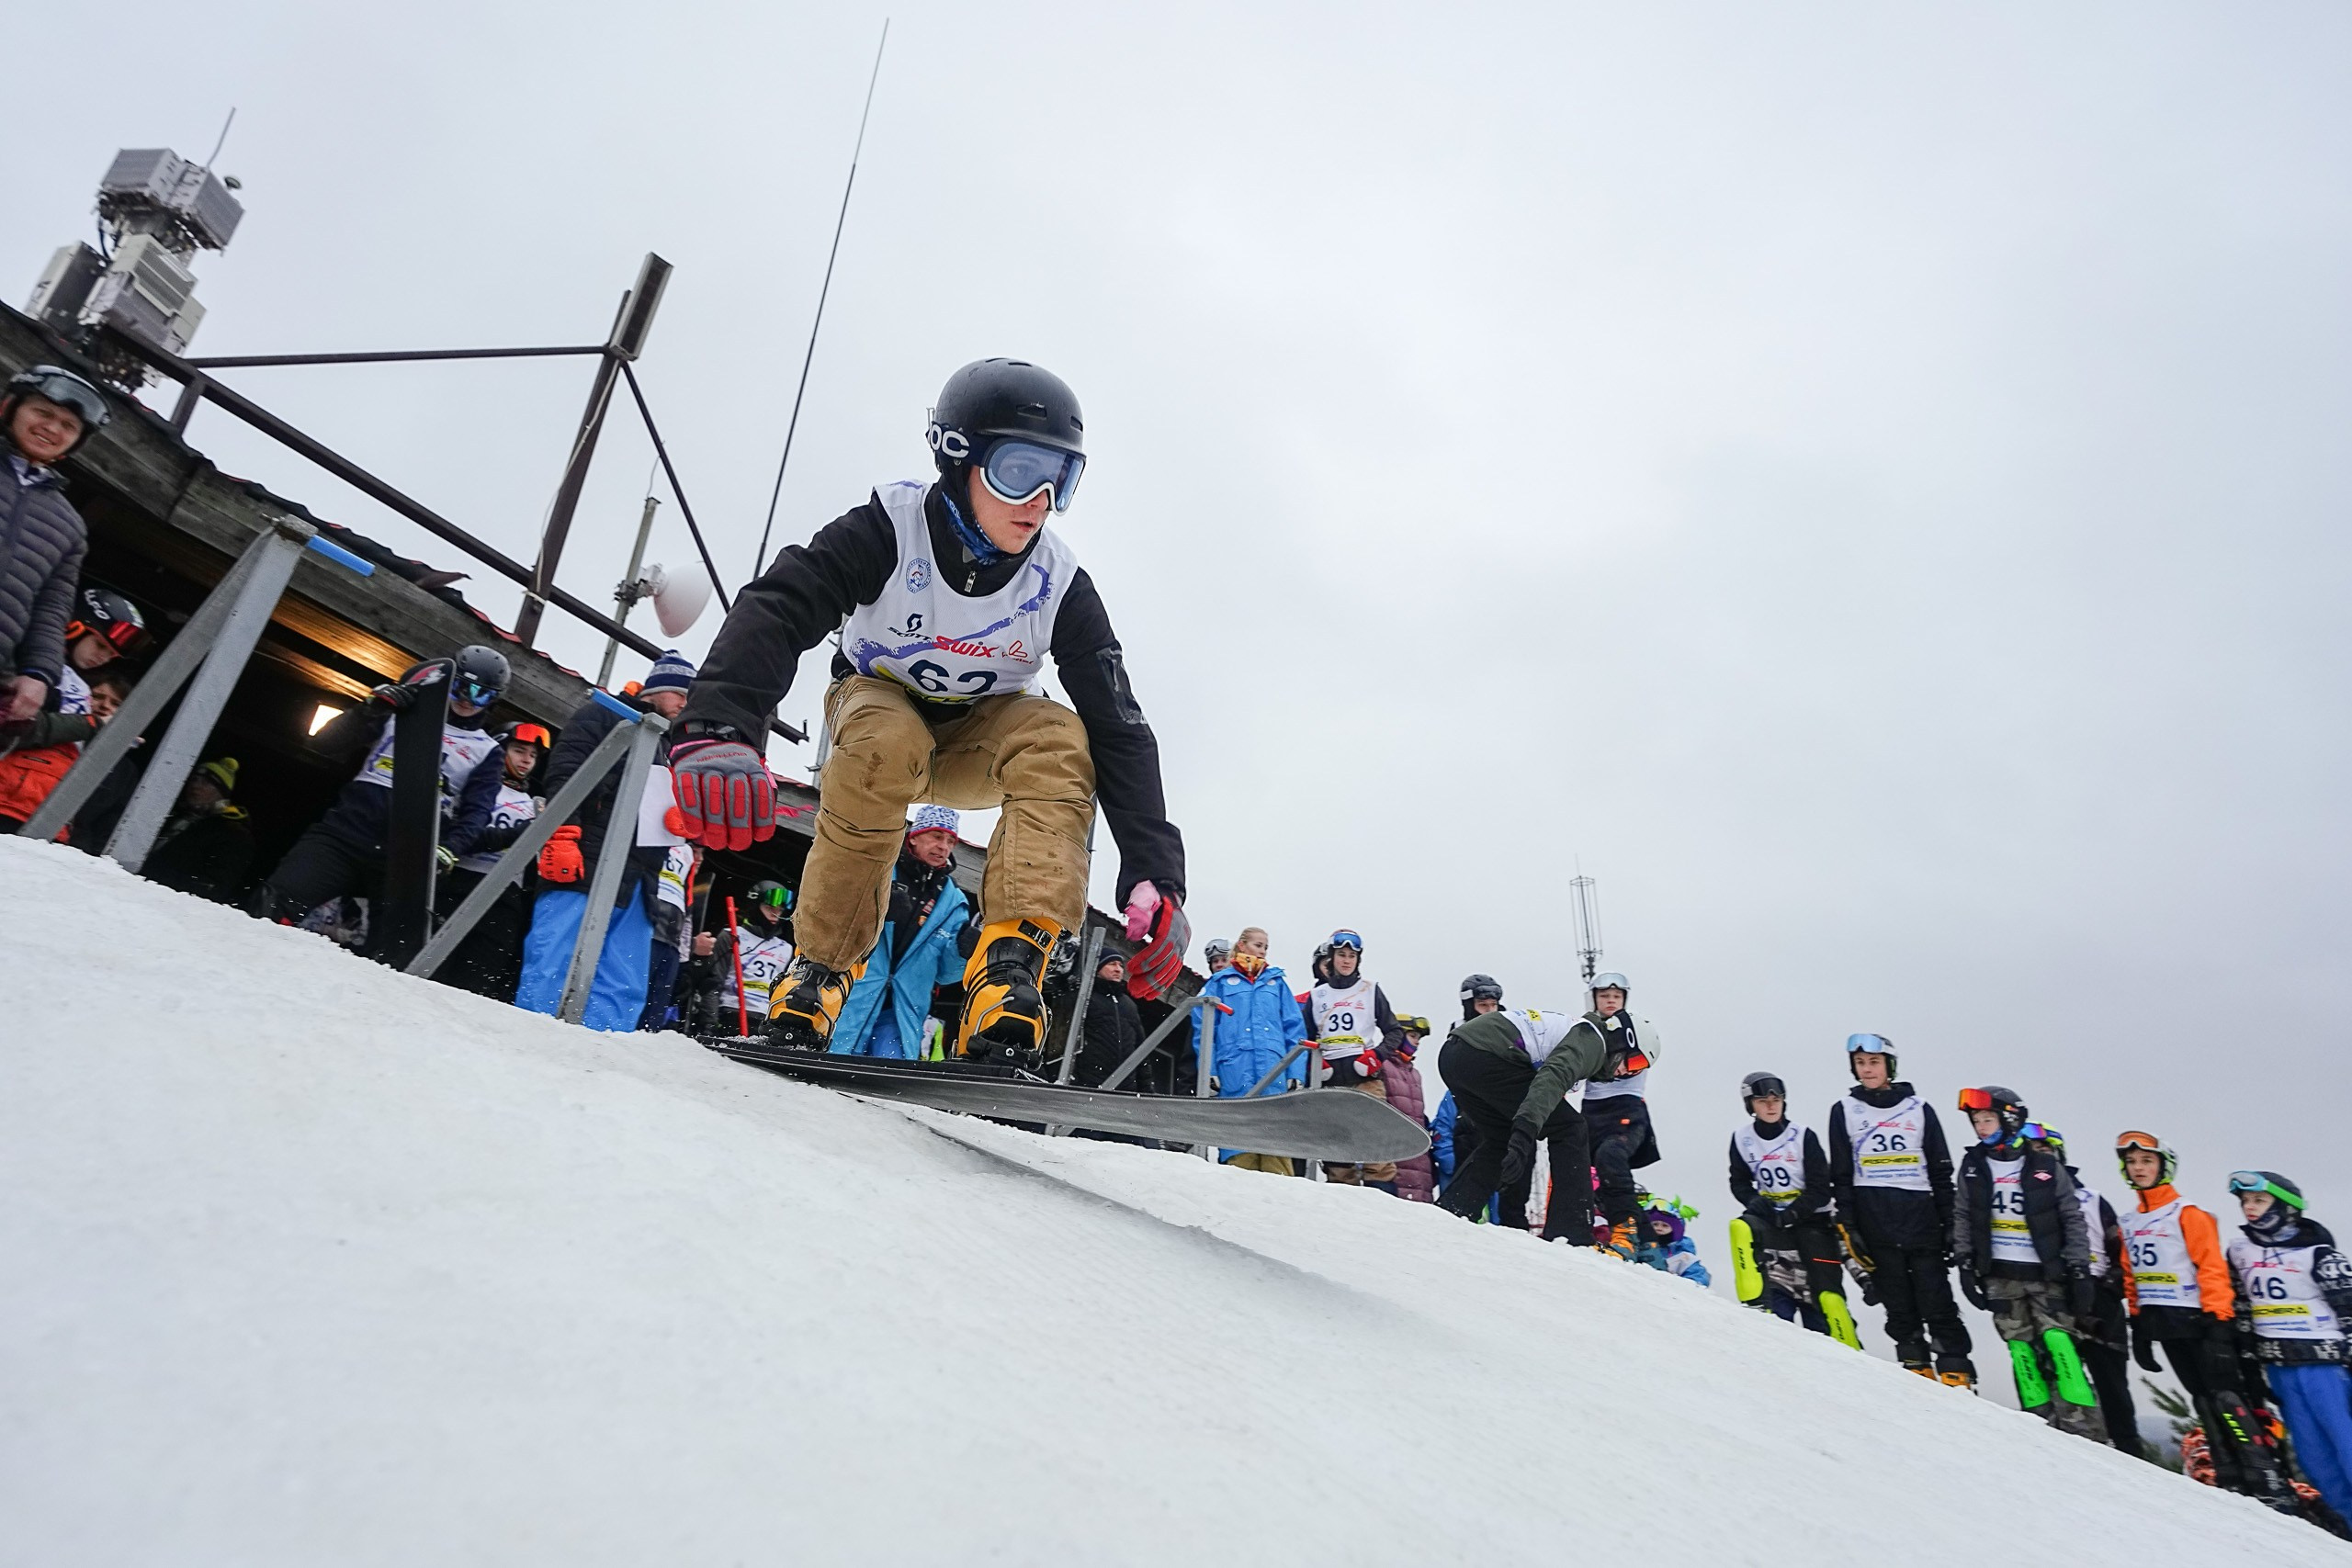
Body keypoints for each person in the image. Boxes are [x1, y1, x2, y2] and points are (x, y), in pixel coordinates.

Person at [667, 360, 1189, 1068]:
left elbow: (1120, 722)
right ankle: (820, 970)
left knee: (1061, 734)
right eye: (1019, 472)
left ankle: (1008, 972)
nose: (1038, 500)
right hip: (878, 707)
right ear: (957, 458)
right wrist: (721, 724)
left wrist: (1155, 870)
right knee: (889, 737)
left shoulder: (1057, 584)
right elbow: (781, 603)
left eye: (1059, 479)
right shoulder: (890, 529)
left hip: (979, 734)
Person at [258, 646, 512, 955]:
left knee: (395, 952)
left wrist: (451, 848)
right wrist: (370, 709)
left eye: (481, 695)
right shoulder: (403, 712)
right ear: (448, 682)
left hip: (406, 856)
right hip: (347, 833)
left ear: (493, 701)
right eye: (461, 687)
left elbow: (477, 812)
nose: (467, 700)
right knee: (274, 901)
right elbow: (323, 743)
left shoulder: (487, 750)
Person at [2113, 1131, 2294, 1501]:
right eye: (2132, 1162)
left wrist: (2219, 1323)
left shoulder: (2188, 1213)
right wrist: (2140, 1327)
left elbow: (2211, 1268)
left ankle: (2266, 1478)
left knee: (2226, 1395)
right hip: (2163, 1323)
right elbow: (2132, 1277)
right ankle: (2229, 1474)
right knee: (2201, 1397)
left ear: (2164, 1166)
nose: (2139, 1168)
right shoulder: (2129, 1222)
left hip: (2201, 1321)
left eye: (2147, 1161)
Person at [516, 651, 693, 1030]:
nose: (685, 703)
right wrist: (563, 832)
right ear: (655, 690)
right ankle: (530, 1035)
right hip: (585, 858)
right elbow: (567, 770)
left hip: (640, 878)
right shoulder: (605, 713)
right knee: (553, 959)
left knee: (623, 979)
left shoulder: (667, 745)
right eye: (680, 692)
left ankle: (599, 1051)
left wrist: (670, 818)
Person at [1951, 1087, 2104, 1442]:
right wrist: (1965, 1263)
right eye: (1976, 1121)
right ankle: (2042, 1431)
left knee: (2059, 1345)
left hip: (2046, 1274)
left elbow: (2072, 1217)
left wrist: (2079, 1268)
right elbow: (1962, 1214)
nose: (1981, 1127)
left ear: (2010, 1119)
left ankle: (2087, 1432)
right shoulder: (1973, 1165)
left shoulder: (2045, 1166)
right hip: (2000, 1275)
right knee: (2021, 1352)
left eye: (1987, 1119)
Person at [1825, 1033, 1973, 1385]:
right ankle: (1915, 1366)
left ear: (1889, 1065)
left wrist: (1950, 1220)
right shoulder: (1844, 1110)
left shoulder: (1918, 1108)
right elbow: (1841, 1174)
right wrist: (1848, 1222)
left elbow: (1940, 1170)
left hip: (1920, 1216)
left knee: (1935, 1297)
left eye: (1874, 1063)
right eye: (1860, 1064)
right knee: (1898, 1303)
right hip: (1874, 1216)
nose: (1867, 1070)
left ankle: (1956, 1370)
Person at [2225, 1170, 2352, 1523]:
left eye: (2259, 1200)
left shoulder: (2318, 1252)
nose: (2250, 1208)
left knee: (2346, 1441)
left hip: (2323, 1363)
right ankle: (2346, 1518)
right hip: (2279, 1366)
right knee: (2312, 1453)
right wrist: (2246, 1353)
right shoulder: (2239, 1250)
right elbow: (2241, 1306)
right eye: (2246, 1201)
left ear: (2286, 1207)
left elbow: (2348, 1305)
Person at [1435, 1000, 1611, 1238]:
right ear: (1624, 1042)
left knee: (1501, 1138)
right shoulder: (1593, 1039)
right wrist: (1525, 1133)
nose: (1626, 1073)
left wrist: (1517, 1138)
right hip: (1484, 1054)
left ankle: (1453, 1210)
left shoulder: (1577, 1033)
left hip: (1454, 1057)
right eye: (1635, 1063)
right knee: (1571, 1128)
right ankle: (1571, 1233)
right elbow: (1553, 1076)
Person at [0, 367, 109, 730]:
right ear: (9, 408)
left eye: (68, 426)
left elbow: (51, 610)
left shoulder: (70, 527)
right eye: (42, 413)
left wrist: (39, 675)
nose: (52, 428)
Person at [0, 588, 150, 833]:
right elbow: (15, 726)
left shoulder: (80, 686)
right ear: (75, 626)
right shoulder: (29, 666)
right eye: (99, 645)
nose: (103, 658)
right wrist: (92, 725)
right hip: (7, 803)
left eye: (110, 654)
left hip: (45, 817)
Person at [1727, 1072, 1858, 1347]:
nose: (1771, 1106)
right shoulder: (1742, 1139)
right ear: (1750, 1104)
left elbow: (1821, 1185)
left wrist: (1793, 1213)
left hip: (1813, 1226)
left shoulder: (1802, 1136)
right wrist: (1754, 1201)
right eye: (1763, 1101)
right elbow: (1738, 1181)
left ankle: (1847, 1353)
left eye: (1776, 1099)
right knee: (1779, 1306)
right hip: (1775, 1231)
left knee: (1824, 1303)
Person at [2035, 1127, 2144, 1457]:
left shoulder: (2092, 1199)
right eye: (2033, 1150)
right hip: (2052, 1294)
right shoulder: (2026, 1200)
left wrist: (2112, 1286)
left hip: (2098, 1297)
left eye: (2045, 1149)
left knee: (2111, 1383)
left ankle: (2129, 1452)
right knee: (2060, 1377)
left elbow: (2118, 1249)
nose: (2039, 1156)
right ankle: (2070, 1451)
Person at [835, 807, 974, 1059]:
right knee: (830, 1070)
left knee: (886, 1081)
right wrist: (877, 911)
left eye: (950, 840)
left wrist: (962, 952)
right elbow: (839, 928)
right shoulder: (881, 873)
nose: (943, 846)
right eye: (936, 835)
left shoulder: (954, 903)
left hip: (903, 1015)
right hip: (853, 1001)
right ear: (914, 836)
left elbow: (945, 976)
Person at [431, 721, 549, 1000]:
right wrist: (515, 835)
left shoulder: (536, 803)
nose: (526, 760)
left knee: (479, 982)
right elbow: (458, 836)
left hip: (505, 899)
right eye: (519, 751)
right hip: (459, 884)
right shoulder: (479, 789)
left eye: (532, 756)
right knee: (436, 968)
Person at [1194, 927, 1308, 1174]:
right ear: (1242, 945)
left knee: (1277, 1159)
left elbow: (1295, 1030)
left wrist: (1296, 1072)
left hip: (1274, 1074)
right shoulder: (1219, 983)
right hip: (1235, 1072)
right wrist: (1209, 1070)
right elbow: (1203, 1030)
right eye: (1258, 945)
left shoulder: (1276, 983)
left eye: (1266, 947)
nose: (1263, 951)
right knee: (1239, 1159)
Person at [1306, 930, 1403, 1188]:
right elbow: (1304, 1040)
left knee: (1376, 1149)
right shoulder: (1317, 996)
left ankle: (1385, 1205)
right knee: (1338, 1153)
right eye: (1341, 955)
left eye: (1352, 956)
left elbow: (1394, 1031)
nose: (1346, 961)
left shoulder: (1370, 990)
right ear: (1332, 958)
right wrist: (1316, 1063)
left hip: (1365, 1077)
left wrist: (1377, 1056)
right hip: (1331, 1081)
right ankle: (1342, 1216)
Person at [1579, 973, 1661, 1259]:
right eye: (1604, 996)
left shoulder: (1633, 1027)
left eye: (1616, 996)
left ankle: (1625, 1233)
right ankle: (1648, 1241)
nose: (1611, 1001)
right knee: (1590, 1175)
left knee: (1611, 1156)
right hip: (1592, 1110)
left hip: (1626, 1109)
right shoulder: (1586, 1029)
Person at [141, 756, 254, 904]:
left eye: (206, 782)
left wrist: (159, 881)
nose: (196, 786)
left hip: (169, 903)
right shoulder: (173, 814)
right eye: (194, 779)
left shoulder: (233, 834)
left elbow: (213, 886)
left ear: (221, 792)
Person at [704, 881, 797, 1034]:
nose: (775, 914)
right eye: (769, 908)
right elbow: (713, 982)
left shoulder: (786, 949)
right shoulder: (732, 935)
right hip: (732, 1013)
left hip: (764, 1020)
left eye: (779, 910)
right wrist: (710, 1023)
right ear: (755, 906)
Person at [1379, 1016, 1434, 1202]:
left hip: (1419, 1164)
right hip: (1395, 1162)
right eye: (1412, 1035)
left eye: (1418, 1037)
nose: (1417, 1042)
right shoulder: (1383, 1067)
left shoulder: (1414, 1074)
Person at [1635, 1197, 1712, 1287]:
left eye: (1665, 1225)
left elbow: (1697, 1273)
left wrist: (1690, 1286)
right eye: (1655, 1224)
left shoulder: (1680, 1254)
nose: (1659, 1228)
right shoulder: (1638, 1244)